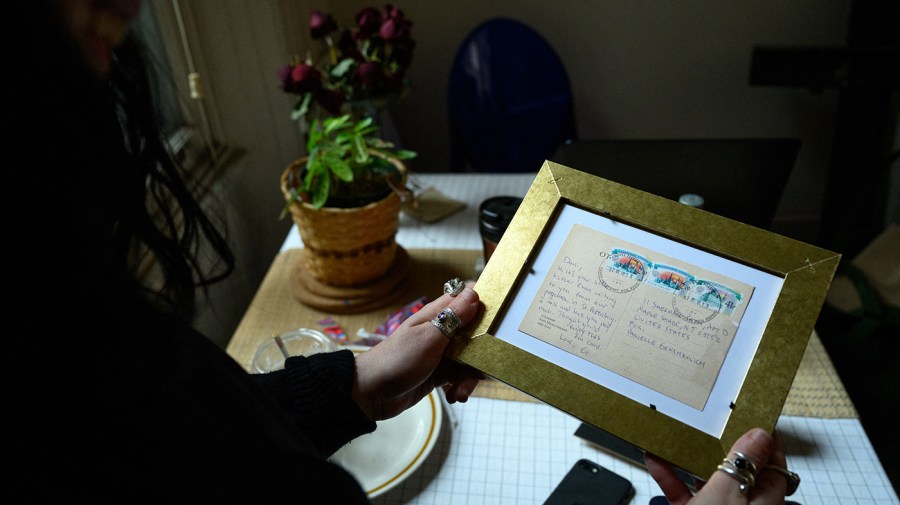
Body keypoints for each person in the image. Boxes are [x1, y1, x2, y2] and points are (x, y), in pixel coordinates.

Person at [17, 1, 797, 503]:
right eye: (84, 13)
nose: (129, 10)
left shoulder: (82, 336)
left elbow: (195, 440)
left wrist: (352, 383)